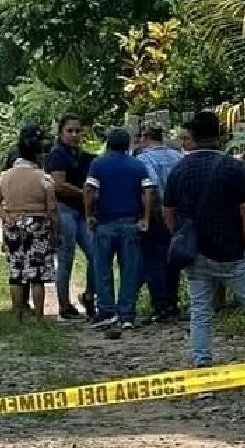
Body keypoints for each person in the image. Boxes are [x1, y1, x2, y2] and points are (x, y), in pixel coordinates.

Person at [163, 111, 245, 367]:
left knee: (200, 311)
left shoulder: (179, 169)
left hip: (195, 252)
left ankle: (202, 363)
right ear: (219, 135)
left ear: (194, 136)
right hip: (230, 250)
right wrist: (244, 241)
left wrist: (179, 237)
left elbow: (168, 212)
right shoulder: (233, 168)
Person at [0, 123, 59, 321]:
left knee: (16, 272)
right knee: (37, 275)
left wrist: (6, 217)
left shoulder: (6, 177)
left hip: (13, 225)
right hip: (38, 225)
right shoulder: (43, 178)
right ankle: (38, 316)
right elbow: (52, 208)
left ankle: (17, 314)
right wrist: (56, 232)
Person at [84, 128, 153, 331]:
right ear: (128, 145)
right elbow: (147, 191)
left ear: (108, 144)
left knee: (102, 268)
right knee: (130, 270)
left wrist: (89, 215)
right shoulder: (138, 165)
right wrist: (145, 218)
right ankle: (127, 314)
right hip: (130, 222)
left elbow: (89, 190)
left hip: (104, 223)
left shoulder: (98, 164)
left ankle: (106, 310)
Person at [46, 114, 97, 321]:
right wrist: (84, 194)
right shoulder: (57, 155)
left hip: (83, 212)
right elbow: (58, 185)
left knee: (95, 254)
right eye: (70, 131)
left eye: (78, 130)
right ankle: (64, 305)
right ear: (61, 132)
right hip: (64, 209)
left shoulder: (83, 156)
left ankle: (89, 296)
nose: (74, 135)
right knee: (66, 258)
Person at [136, 121, 184, 323]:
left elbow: (151, 187)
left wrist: (148, 214)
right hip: (180, 213)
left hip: (156, 214)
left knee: (153, 261)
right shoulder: (178, 156)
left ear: (145, 138)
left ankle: (161, 305)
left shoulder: (144, 159)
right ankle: (173, 303)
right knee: (172, 259)